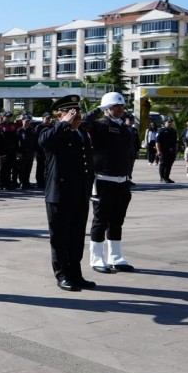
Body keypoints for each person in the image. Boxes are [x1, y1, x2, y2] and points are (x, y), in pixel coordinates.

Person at [39, 95, 96, 291]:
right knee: (60, 237)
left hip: (80, 194)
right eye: (71, 113)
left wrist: (90, 188)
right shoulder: (52, 132)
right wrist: (63, 124)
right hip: (59, 195)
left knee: (77, 237)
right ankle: (62, 274)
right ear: (60, 115)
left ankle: (75, 273)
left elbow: (87, 164)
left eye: (77, 112)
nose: (76, 116)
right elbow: (45, 142)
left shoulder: (81, 134)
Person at [83, 92, 136, 274]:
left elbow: (129, 156)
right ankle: (96, 258)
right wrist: (98, 108)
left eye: (121, 106)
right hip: (104, 181)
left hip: (122, 182)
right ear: (107, 109)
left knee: (117, 221)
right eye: (114, 106)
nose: (119, 109)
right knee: (101, 221)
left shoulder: (125, 129)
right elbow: (84, 123)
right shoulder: (99, 126)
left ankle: (116, 257)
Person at [0, 111, 18, 189]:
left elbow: (16, 139)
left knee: (9, 167)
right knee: (3, 168)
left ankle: (8, 183)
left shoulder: (13, 125)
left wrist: (16, 150)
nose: (8, 118)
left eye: (9, 117)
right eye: (7, 116)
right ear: (3, 117)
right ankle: (2, 184)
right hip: (2, 150)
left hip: (12, 150)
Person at [17, 115, 37, 189]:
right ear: (22, 121)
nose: (27, 123)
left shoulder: (32, 130)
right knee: (22, 168)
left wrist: (35, 151)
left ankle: (27, 182)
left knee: (28, 168)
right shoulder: (19, 130)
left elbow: (35, 142)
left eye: (28, 121)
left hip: (30, 152)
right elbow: (16, 142)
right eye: (26, 121)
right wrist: (18, 152)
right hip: (22, 152)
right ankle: (22, 183)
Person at [34, 112, 52, 189]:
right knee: (40, 167)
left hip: (47, 150)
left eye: (49, 118)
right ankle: (39, 182)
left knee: (47, 167)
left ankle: (45, 181)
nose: (48, 120)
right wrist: (36, 150)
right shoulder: (39, 127)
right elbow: (35, 140)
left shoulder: (51, 127)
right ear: (43, 118)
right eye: (46, 118)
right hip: (40, 150)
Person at [156, 119, 178, 183]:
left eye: (171, 122)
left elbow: (176, 141)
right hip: (163, 150)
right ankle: (162, 177)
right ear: (165, 122)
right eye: (168, 122)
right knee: (163, 164)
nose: (170, 123)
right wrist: (158, 150)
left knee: (169, 164)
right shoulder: (161, 131)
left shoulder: (173, 131)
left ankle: (167, 177)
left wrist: (176, 149)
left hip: (171, 151)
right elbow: (157, 141)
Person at [125, 116, 140, 185]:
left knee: (131, 165)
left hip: (132, 149)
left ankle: (129, 178)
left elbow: (137, 140)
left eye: (132, 120)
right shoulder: (123, 128)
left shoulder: (134, 129)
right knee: (126, 165)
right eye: (129, 120)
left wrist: (137, 150)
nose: (131, 121)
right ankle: (125, 179)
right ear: (126, 120)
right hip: (125, 149)